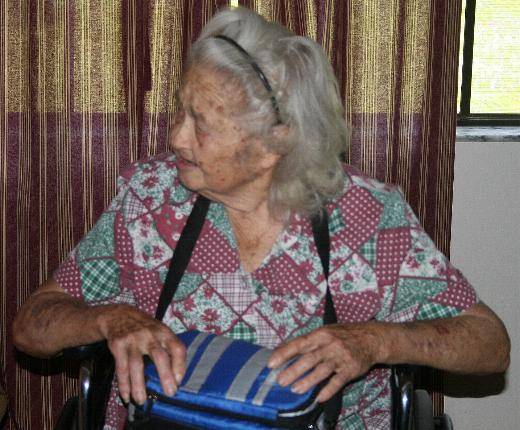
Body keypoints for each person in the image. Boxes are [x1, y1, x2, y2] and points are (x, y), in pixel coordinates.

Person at [13, 6, 509, 430]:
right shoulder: (150, 199)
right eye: (180, 112)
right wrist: (109, 319)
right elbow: (33, 326)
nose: (176, 138)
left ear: (277, 140)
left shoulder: (368, 217)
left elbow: (488, 344)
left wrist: (374, 340)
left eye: (201, 124)